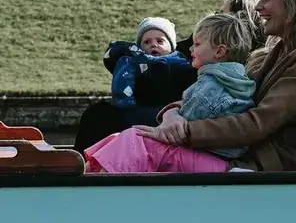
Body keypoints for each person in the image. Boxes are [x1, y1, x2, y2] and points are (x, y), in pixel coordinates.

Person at [134, 0, 296, 172]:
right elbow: (221, 97)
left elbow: (259, 122)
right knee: (132, 141)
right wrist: (172, 113)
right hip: (243, 154)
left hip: (265, 166)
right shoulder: (271, 54)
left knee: (140, 147)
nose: (258, 7)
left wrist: (185, 131)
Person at [84, 12, 257, 172]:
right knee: (124, 137)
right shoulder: (232, 77)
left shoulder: (211, 85)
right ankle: (88, 168)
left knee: (135, 139)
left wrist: (163, 125)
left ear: (219, 51)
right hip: (216, 157)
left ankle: (93, 177)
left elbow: (177, 130)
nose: (190, 49)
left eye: (197, 44)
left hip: (212, 161)